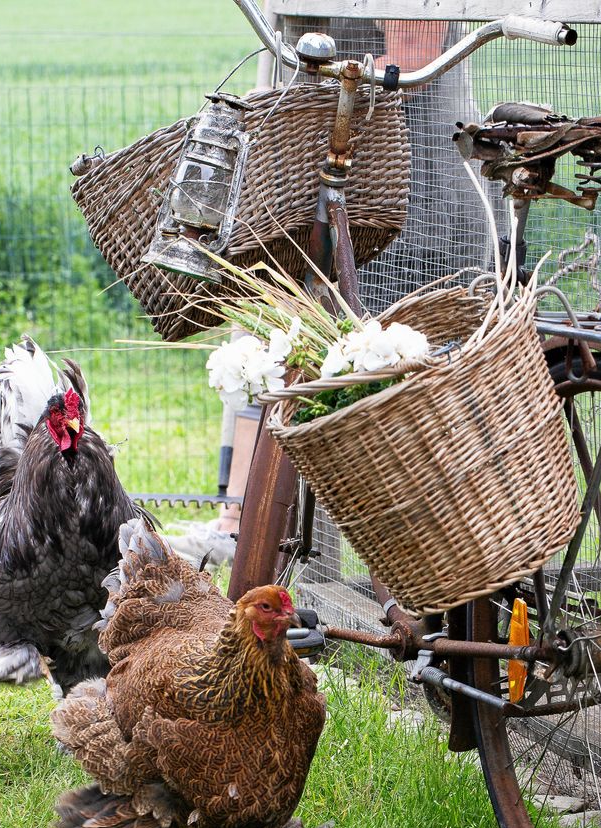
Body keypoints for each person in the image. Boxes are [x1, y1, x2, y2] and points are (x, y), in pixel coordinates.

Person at [168, 13, 494, 567]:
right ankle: (244, 523)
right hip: (306, 161)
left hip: (402, 182)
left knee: (388, 365)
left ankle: (426, 553)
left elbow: (410, 52)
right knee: (278, 331)